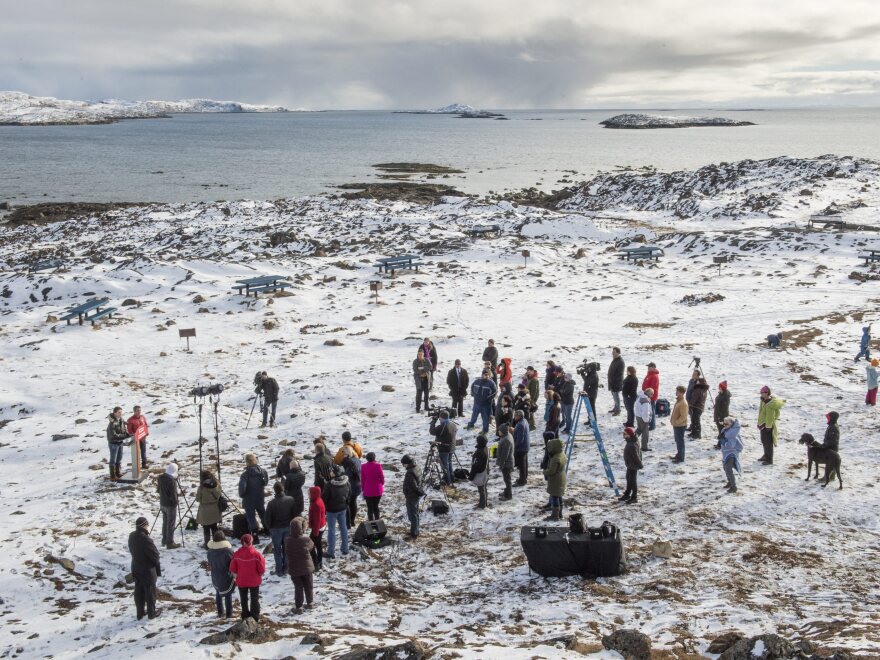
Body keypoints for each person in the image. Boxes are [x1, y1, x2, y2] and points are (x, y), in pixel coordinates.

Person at [128, 516, 161, 620]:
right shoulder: (146, 539)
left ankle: (140, 612)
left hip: (136, 567)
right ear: (144, 526)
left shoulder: (132, 536)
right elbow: (155, 555)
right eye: (147, 525)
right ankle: (152, 613)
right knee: (150, 592)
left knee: (138, 590)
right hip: (147, 569)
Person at [229, 534, 265, 622]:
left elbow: (232, 568)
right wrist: (260, 574)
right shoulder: (257, 555)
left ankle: (245, 615)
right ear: (251, 542)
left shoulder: (237, 554)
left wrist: (236, 575)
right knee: (254, 598)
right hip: (254, 581)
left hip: (241, 581)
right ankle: (254, 616)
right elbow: (262, 569)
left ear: (242, 542)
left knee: (243, 598)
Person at [265, 481, 297, 576]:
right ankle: (286, 568)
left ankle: (279, 570)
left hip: (276, 530)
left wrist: (270, 528)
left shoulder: (271, 503)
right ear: (283, 489)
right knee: (286, 549)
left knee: (278, 551)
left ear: (275, 491)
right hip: (287, 527)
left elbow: (267, 519)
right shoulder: (290, 500)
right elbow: (294, 514)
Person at [285, 518, 315, 614]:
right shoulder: (306, 539)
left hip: (294, 568)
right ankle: (310, 603)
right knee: (308, 585)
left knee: (298, 587)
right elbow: (311, 546)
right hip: (307, 568)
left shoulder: (287, 540)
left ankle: (299, 607)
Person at [238, 454, 269, 542]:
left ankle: (255, 536)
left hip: (249, 499)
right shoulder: (263, 471)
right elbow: (265, 483)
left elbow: (242, 489)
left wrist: (242, 495)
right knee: (263, 514)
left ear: (247, 462)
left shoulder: (245, 474)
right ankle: (268, 530)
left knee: (251, 517)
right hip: (260, 497)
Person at [323, 466, 350, 559]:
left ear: (334, 473)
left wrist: (326, 507)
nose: (330, 472)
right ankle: (345, 549)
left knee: (332, 530)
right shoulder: (346, 482)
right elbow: (349, 495)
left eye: (331, 471)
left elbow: (324, 498)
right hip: (343, 508)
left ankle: (331, 552)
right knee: (343, 528)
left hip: (332, 511)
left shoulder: (329, 485)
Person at [206, 530, 235, 619]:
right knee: (227, 594)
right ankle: (229, 614)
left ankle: (220, 612)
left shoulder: (210, 551)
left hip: (215, 575)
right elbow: (233, 563)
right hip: (226, 575)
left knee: (218, 592)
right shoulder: (228, 551)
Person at [757, 386, 786, 465]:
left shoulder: (770, 404)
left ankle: (769, 459)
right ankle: (766, 455)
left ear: (767, 393)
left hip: (767, 426)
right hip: (763, 424)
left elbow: (770, 416)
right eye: (761, 392)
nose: (761, 394)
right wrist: (759, 423)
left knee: (768, 443)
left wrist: (768, 426)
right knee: (763, 440)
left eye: (763, 393)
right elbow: (761, 412)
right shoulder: (763, 400)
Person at [429, 409, 458, 486]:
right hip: (451, 447)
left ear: (441, 418)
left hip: (444, 448)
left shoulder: (442, 426)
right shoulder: (453, 424)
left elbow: (432, 432)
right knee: (449, 463)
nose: (439, 419)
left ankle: (448, 481)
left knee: (445, 465)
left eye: (439, 418)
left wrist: (433, 422)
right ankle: (451, 477)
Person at [196, 470, 222, 548]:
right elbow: (219, 495)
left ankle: (207, 544)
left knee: (206, 529)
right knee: (214, 527)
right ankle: (216, 543)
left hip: (204, 511)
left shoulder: (201, 488)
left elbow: (197, 499)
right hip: (215, 509)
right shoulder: (217, 484)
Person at [401, 454, 425, 539]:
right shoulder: (417, 467)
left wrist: (418, 493)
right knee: (415, 514)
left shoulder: (410, 473)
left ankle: (414, 533)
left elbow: (414, 486)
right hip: (415, 496)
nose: (403, 466)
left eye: (403, 464)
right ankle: (415, 530)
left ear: (407, 463)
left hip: (412, 496)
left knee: (412, 515)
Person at [542, 438, 567, 521]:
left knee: (555, 497)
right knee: (559, 496)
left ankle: (555, 515)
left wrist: (545, 471)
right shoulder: (561, 453)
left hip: (556, 480)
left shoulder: (556, 458)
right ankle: (560, 514)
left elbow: (551, 471)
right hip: (561, 478)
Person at [157, 463, 180, 549]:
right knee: (171, 524)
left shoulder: (161, 478)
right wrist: (176, 502)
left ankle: (164, 540)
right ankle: (170, 543)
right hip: (170, 505)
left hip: (162, 503)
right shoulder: (172, 481)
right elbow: (173, 495)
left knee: (165, 522)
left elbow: (158, 490)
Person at [719, 417, 744, 493]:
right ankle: (730, 482)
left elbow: (730, 445)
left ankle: (734, 486)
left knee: (728, 469)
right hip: (725, 452)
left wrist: (724, 442)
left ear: (731, 424)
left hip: (731, 453)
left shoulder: (732, 434)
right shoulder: (726, 430)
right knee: (725, 468)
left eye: (726, 423)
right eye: (724, 423)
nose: (724, 425)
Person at [619, 427, 643, 504]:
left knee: (632, 481)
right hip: (630, 465)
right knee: (628, 479)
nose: (623, 435)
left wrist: (640, 464)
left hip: (633, 466)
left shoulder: (631, 445)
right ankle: (627, 494)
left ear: (629, 435)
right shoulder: (632, 440)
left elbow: (636, 456)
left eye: (624, 434)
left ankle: (634, 497)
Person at [106, 406, 130, 482]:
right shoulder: (112, 423)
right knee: (113, 459)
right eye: (119, 412)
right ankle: (113, 476)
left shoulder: (121, 420)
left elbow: (124, 429)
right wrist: (124, 436)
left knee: (119, 458)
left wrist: (127, 434)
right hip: (113, 443)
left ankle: (118, 473)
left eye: (121, 412)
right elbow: (113, 435)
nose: (120, 414)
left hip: (120, 442)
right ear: (115, 413)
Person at [341, 445, 362, 529]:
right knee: (353, 502)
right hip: (358, 484)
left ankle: (348, 523)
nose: (343, 455)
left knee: (347, 504)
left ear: (347, 454)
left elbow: (347, 475)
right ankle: (352, 521)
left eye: (344, 453)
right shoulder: (358, 460)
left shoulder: (348, 462)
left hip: (350, 486)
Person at [361, 452, 385, 521]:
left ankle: (371, 524)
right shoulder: (378, 466)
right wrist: (381, 484)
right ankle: (378, 522)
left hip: (368, 490)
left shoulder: (363, 466)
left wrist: (363, 489)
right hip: (377, 490)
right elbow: (382, 477)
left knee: (370, 508)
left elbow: (363, 479)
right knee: (376, 506)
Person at [308, 486, 326, 571]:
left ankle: (316, 563)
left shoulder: (316, 504)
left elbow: (317, 520)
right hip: (321, 526)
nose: (308, 494)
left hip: (318, 528)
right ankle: (319, 562)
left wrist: (315, 532)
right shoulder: (318, 500)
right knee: (318, 545)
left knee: (310, 546)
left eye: (310, 493)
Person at [470, 434, 490, 509]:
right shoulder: (486, 448)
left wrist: (471, 476)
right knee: (484, 488)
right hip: (486, 471)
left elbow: (476, 466)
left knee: (481, 489)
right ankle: (484, 502)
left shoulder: (480, 452)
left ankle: (482, 505)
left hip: (481, 473)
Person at [126, 405, 149, 470]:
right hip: (136, 439)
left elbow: (145, 425)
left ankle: (144, 464)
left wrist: (146, 432)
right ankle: (136, 466)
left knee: (143, 451)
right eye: (138, 411)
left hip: (143, 438)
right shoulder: (130, 420)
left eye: (140, 410)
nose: (139, 412)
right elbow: (130, 431)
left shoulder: (142, 417)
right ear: (134, 411)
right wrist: (135, 436)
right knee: (136, 452)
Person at [670, 386, 688, 463]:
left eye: (677, 391)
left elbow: (683, 416)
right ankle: (679, 454)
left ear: (681, 393)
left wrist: (676, 422)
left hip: (680, 426)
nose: (676, 392)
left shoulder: (683, 403)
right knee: (678, 441)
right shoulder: (679, 400)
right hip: (677, 425)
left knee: (680, 442)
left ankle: (681, 458)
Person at [496, 422, 514, 500]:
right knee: (506, 479)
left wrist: (501, 464)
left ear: (503, 431)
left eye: (499, 431)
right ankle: (506, 491)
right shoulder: (506, 436)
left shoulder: (506, 440)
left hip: (507, 464)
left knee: (507, 480)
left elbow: (504, 455)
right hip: (507, 462)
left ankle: (508, 495)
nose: (498, 432)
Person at [512, 409, 530, 487]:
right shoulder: (524, 421)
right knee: (525, 463)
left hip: (521, 448)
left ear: (519, 416)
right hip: (525, 446)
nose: (514, 417)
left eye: (515, 416)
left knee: (522, 465)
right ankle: (524, 477)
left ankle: (522, 480)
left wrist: (514, 447)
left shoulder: (520, 425)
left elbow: (520, 439)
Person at [642, 363, 660, 431]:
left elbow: (653, 388)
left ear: (653, 367)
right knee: (649, 410)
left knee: (651, 411)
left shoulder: (654, 376)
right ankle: (650, 423)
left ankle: (652, 425)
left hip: (651, 397)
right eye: (648, 366)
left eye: (650, 367)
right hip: (647, 395)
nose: (648, 368)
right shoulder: (649, 374)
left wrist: (650, 396)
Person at [412, 349, 432, 413]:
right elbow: (415, 370)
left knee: (426, 394)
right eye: (419, 354)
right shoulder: (415, 361)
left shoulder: (427, 360)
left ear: (423, 354)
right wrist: (424, 370)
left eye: (421, 354)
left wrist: (422, 369)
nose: (420, 355)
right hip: (419, 380)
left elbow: (430, 367)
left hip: (426, 379)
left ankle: (426, 407)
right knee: (419, 395)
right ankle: (417, 408)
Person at [607, 348, 625, 416]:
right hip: (612, 382)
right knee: (614, 396)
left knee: (616, 396)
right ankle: (616, 407)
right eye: (612, 352)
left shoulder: (620, 361)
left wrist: (614, 381)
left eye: (614, 352)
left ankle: (618, 410)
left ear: (618, 353)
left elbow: (619, 374)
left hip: (616, 382)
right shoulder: (615, 360)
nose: (612, 353)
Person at [526, 367, 540, 431]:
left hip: (532, 398)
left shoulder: (534, 379)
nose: (527, 371)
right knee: (529, 410)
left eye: (528, 370)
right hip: (529, 397)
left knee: (531, 411)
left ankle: (532, 425)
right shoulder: (530, 378)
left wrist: (532, 400)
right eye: (527, 370)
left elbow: (535, 391)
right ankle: (530, 423)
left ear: (532, 371)